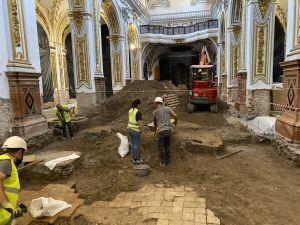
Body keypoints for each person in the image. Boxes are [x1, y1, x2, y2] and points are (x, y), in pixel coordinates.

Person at [0, 136, 28, 225]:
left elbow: (6, 187)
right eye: (23, 152)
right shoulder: (6, 162)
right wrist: (6, 204)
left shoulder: (4, 161)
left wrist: (14, 205)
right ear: (19, 151)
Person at [153, 97, 178, 167]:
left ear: (155, 103)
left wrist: (156, 128)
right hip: (168, 130)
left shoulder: (155, 112)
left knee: (161, 146)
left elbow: (155, 123)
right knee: (167, 145)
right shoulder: (167, 108)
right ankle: (167, 161)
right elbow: (175, 115)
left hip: (160, 131)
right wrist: (175, 122)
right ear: (161, 102)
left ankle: (162, 162)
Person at [127, 99, 145, 163]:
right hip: (135, 130)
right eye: (140, 104)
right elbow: (140, 123)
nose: (140, 105)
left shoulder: (130, 110)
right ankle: (135, 159)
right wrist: (142, 131)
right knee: (136, 144)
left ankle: (133, 157)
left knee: (133, 143)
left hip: (129, 128)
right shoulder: (138, 112)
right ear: (138, 105)